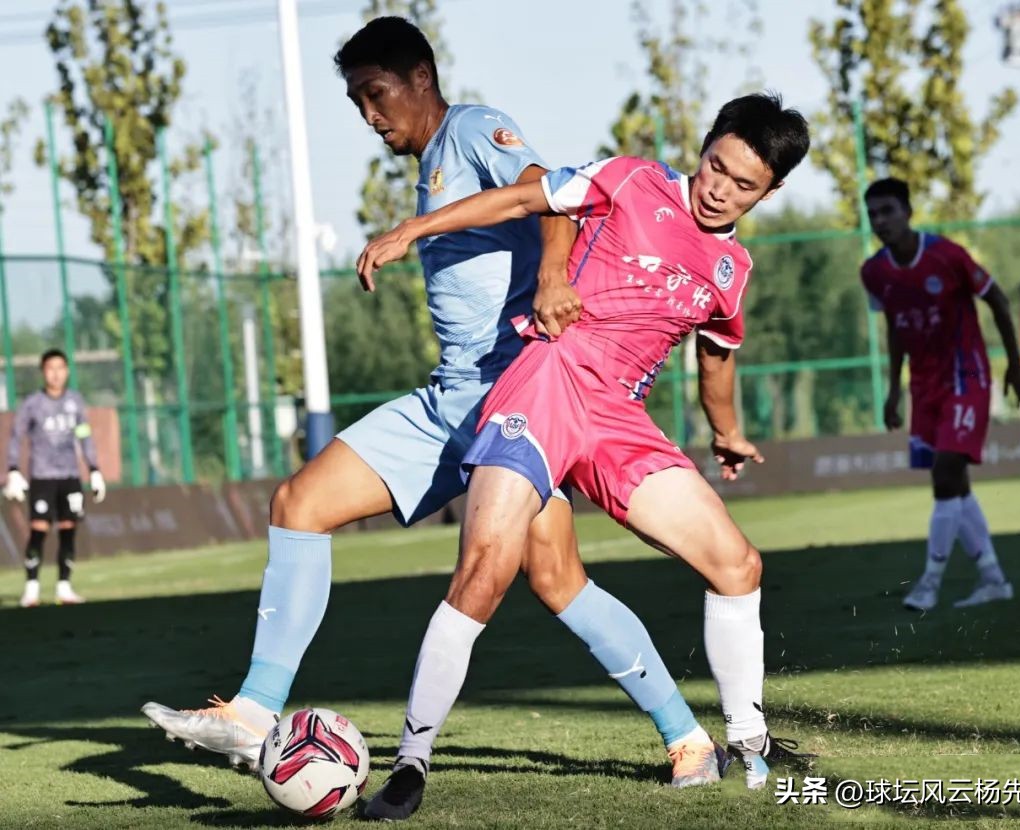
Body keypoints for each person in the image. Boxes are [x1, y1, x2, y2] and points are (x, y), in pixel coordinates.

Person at [142, 16, 724, 792]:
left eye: (376, 95)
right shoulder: (434, 162)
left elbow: (549, 198)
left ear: (421, 78)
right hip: (452, 395)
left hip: (514, 394)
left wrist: (552, 280)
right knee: (304, 503)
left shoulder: (477, 127)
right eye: (356, 103)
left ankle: (690, 741)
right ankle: (254, 713)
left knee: (555, 580)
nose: (371, 115)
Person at [356, 92, 815, 820]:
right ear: (705, 147)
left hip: (618, 418)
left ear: (772, 191)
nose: (719, 186)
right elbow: (526, 198)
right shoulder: (633, 179)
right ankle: (410, 765)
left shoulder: (731, 270)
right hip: (546, 383)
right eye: (715, 164)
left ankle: (749, 742)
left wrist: (724, 431)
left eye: (743, 184)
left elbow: (718, 359)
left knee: (738, 564)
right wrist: (417, 227)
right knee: (484, 572)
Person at [861, 178, 1020, 612]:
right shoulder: (874, 272)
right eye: (873, 214)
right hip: (925, 384)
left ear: (909, 212)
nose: (881, 221)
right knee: (956, 484)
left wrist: (1016, 363)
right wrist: (895, 388)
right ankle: (993, 578)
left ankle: (930, 584)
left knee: (944, 473)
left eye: (888, 211)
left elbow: (1000, 301)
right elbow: (895, 327)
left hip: (965, 375)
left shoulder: (946, 255)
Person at [3, 348, 106, 607]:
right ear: (43, 372)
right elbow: (16, 437)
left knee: (69, 531)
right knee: (38, 530)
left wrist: (94, 470)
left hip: (70, 476)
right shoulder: (32, 404)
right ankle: (32, 589)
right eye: (51, 368)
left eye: (61, 368)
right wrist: (13, 470)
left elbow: (84, 436)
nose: (56, 374)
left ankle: (64, 587)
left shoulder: (75, 402)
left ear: (67, 371)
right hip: (42, 477)